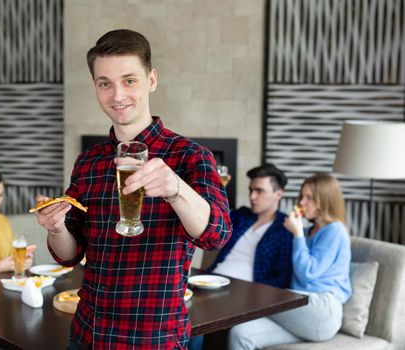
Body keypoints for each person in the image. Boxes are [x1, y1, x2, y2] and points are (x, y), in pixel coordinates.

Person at [34, 29, 232, 349]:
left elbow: (216, 235)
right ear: (95, 88)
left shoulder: (190, 156)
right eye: (105, 83)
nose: (117, 95)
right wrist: (55, 228)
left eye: (129, 80)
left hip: (155, 339)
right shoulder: (88, 162)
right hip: (88, 334)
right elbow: (70, 255)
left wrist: (175, 189)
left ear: (151, 80)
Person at [229, 173, 352, 350]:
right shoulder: (309, 231)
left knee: (255, 295)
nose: (301, 202)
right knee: (241, 333)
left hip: (323, 310)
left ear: (324, 200)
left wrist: (297, 234)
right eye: (302, 196)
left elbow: (308, 273)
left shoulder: (335, 230)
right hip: (301, 312)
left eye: (309, 197)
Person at [189, 163, 293, 350]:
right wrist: (219, 188)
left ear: (278, 194)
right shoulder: (241, 217)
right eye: (251, 190)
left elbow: (281, 278)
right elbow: (211, 221)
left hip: (243, 295)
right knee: (181, 316)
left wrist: (255, 297)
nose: (252, 197)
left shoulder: (286, 229)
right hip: (208, 284)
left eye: (259, 191)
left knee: (195, 323)